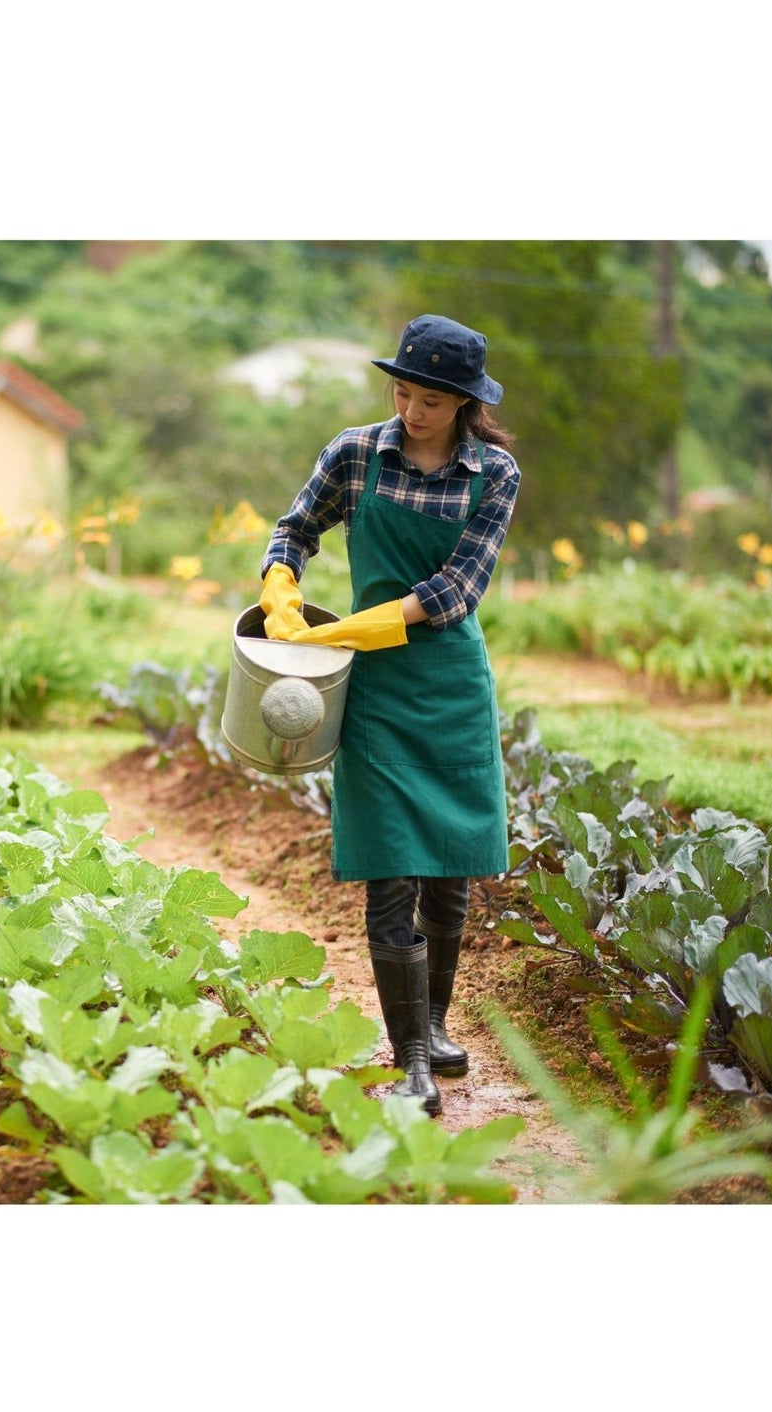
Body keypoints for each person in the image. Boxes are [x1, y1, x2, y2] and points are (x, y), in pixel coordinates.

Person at [258, 315, 519, 1116]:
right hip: (369, 692)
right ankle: (406, 1054)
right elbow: (295, 528)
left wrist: (343, 629)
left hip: (445, 684)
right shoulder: (354, 453)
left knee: (448, 868)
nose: (409, 410)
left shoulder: (493, 474)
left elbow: (452, 593)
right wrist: (280, 585)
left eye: (428, 401)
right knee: (389, 867)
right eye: (400, 391)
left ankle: (433, 1025)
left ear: (464, 404)